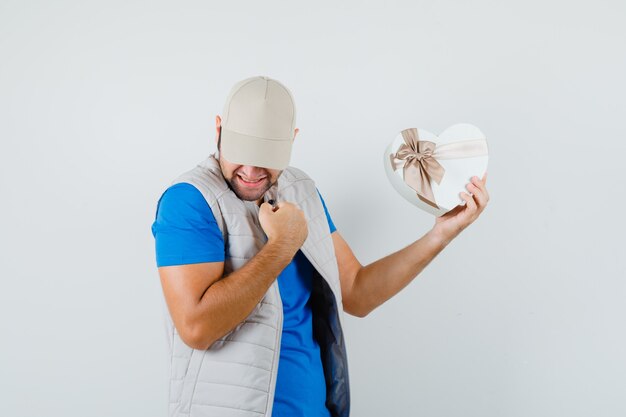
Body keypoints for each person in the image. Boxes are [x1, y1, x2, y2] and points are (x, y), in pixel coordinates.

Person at [151, 75, 490, 417]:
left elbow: (356, 292)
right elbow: (197, 328)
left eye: (266, 154)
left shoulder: (301, 190)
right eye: (240, 151)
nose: (251, 170)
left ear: (292, 140)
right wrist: (284, 243)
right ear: (218, 129)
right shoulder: (189, 201)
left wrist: (441, 234)